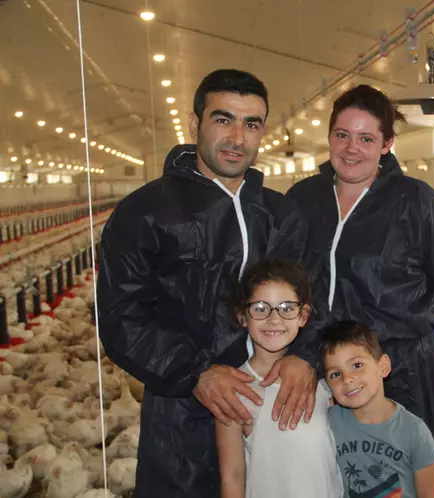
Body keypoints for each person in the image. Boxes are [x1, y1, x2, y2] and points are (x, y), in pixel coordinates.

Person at [96, 69, 322, 498]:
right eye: (223, 119)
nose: (238, 137)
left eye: (251, 124)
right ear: (195, 123)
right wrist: (195, 372)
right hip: (182, 408)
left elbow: (313, 296)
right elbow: (121, 314)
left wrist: (305, 357)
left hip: (274, 400)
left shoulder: (282, 215)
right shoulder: (146, 212)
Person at [285, 84, 434, 450]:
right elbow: (288, 279)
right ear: (330, 137)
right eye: (342, 135)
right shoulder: (302, 200)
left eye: (366, 138)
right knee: (337, 468)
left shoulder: (418, 203)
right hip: (325, 363)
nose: (352, 148)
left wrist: (399, 324)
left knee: (400, 469)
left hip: (399, 366)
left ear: (387, 144)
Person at [216, 258, 342, 498]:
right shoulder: (234, 390)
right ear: (243, 316)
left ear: (303, 316)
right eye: (261, 308)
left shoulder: (325, 383)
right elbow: (231, 475)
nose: (274, 319)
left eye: (286, 308)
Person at [322, 320, 434, 498]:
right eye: (335, 374)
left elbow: (428, 494)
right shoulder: (329, 422)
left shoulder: (414, 431)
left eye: (356, 365)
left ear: (383, 366)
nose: (347, 379)